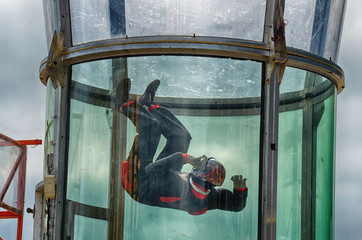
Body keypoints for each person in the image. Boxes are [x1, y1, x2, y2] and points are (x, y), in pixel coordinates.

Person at [118, 78, 248, 215]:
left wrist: (185, 158)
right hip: (163, 176)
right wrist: (240, 190)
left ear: (202, 176)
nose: (199, 166)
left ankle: (122, 104)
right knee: (182, 137)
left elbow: (151, 170)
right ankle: (148, 105)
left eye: (203, 168)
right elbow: (235, 205)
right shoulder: (209, 195)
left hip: (139, 182)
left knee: (151, 127)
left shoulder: (185, 193)